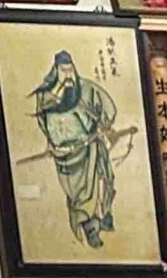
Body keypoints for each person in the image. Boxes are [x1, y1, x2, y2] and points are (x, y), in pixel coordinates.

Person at [31, 51, 121, 250]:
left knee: (100, 184)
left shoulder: (86, 88)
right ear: (56, 70)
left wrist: (103, 125)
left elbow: (106, 107)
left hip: (89, 148)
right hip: (66, 154)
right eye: (63, 70)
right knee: (79, 194)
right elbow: (43, 121)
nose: (68, 73)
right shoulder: (45, 94)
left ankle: (100, 220)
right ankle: (90, 227)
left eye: (70, 68)